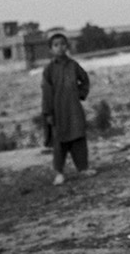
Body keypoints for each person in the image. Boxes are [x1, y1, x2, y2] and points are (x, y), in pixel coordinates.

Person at [41, 32, 96, 185]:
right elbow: (46, 92)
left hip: (73, 109)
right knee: (59, 142)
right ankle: (59, 173)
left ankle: (83, 168)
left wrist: (80, 94)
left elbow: (84, 80)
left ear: (67, 46)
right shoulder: (49, 70)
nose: (60, 48)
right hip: (58, 111)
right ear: (51, 49)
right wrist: (48, 113)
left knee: (79, 138)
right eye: (56, 45)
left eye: (63, 44)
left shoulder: (73, 65)